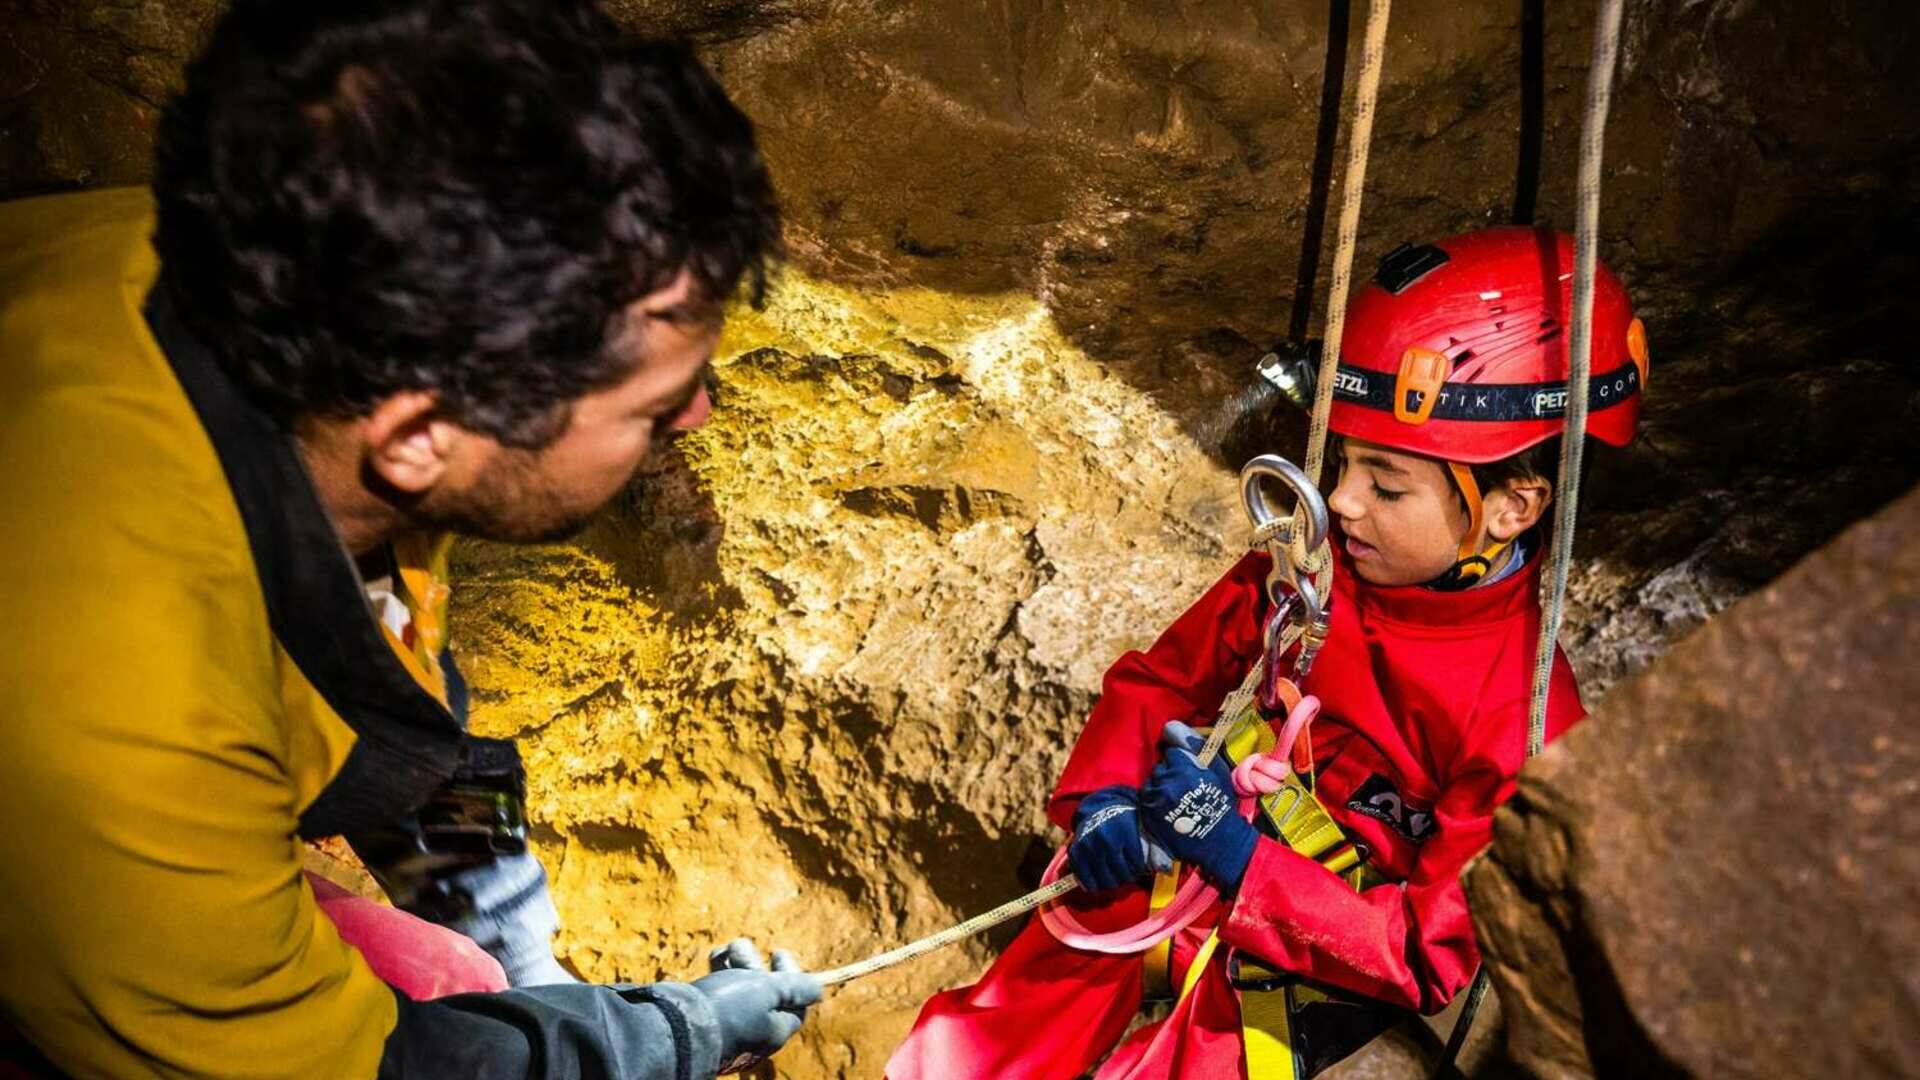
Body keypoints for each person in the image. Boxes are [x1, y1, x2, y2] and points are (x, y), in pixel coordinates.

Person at [0, 1, 823, 1077]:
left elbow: (396, 685)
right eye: (654, 399)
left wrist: (529, 961)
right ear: (423, 438)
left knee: (469, 976)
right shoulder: (128, 717)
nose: (698, 415)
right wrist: (667, 1035)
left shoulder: (265, 298)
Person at [889, 227, 1650, 1078]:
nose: (1342, 501)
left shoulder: (1524, 719)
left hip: (1312, 949)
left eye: (1386, 485)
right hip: (1197, 845)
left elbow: (1426, 955)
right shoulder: (1311, 572)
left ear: (1513, 507)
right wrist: (1103, 794)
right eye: (1349, 464)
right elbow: (1164, 680)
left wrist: (1245, 864)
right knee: (1007, 1020)